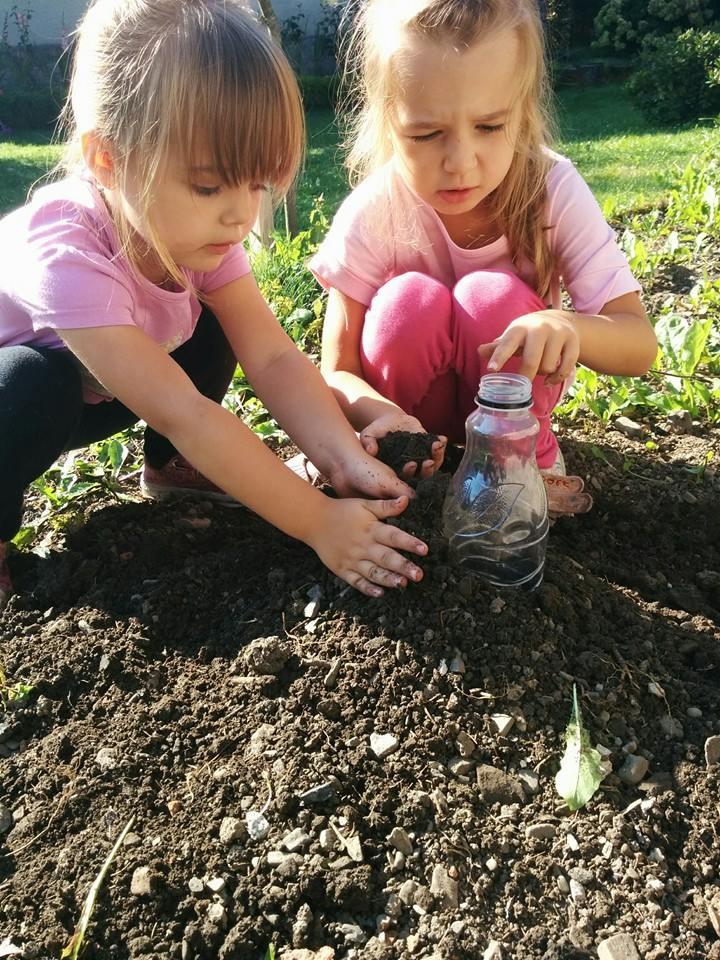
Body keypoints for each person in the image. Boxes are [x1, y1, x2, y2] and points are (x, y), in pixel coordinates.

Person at [0, 0, 431, 610]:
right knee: (30, 384)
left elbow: (273, 357)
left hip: (102, 387)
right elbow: (187, 412)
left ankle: (171, 467)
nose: (241, 214)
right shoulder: (65, 252)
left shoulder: (194, 234)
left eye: (257, 183)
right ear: (108, 159)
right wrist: (317, 522)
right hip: (21, 401)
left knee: (213, 321)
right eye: (208, 186)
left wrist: (341, 459)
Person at [309, 0, 657, 506]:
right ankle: (409, 464)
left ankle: (524, 461)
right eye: (426, 133)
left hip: (512, 420)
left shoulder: (552, 190)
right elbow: (336, 370)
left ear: (523, 113)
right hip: (409, 426)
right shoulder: (375, 209)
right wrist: (384, 418)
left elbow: (639, 345)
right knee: (408, 301)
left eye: (490, 126)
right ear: (386, 122)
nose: (460, 162)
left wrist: (568, 326)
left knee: (489, 296)